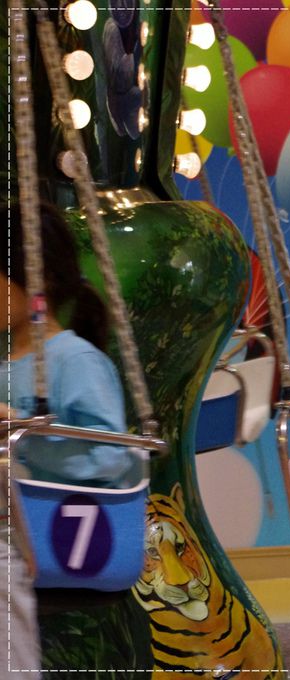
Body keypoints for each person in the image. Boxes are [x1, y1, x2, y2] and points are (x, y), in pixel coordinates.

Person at [2, 201, 133, 675]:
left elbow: (110, 457)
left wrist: (20, 427)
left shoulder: (73, 360)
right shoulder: (6, 366)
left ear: (38, 280)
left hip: (40, 529)